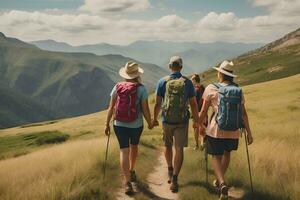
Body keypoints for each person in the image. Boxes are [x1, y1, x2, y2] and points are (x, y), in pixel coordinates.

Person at [199, 60, 253, 200]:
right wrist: (249, 133)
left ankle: (222, 183)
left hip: (216, 129)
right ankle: (219, 180)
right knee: (227, 153)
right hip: (234, 130)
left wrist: (199, 125)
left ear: (220, 74)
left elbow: (204, 111)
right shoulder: (237, 90)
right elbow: (243, 113)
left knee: (215, 156)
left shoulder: (211, 88)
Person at [152, 56, 200, 193]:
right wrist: (197, 121)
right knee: (179, 148)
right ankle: (175, 178)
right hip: (182, 121)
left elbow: (157, 104)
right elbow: (193, 104)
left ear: (169, 67)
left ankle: (169, 169)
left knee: (167, 145)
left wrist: (154, 119)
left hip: (167, 119)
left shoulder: (162, 82)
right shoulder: (188, 83)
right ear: (181, 67)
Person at [105, 61, 153, 195]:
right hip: (136, 125)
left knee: (123, 151)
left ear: (125, 74)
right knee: (134, 146)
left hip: (119, 124)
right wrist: (150, 123)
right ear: (137, 74)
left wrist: (106, 124)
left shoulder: (117, 87)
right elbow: (145, 110)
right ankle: (131, 170)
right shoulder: (141, 89)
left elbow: (111, 107)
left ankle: (127, 183)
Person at [191, 74, 206, 150]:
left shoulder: (194, 89)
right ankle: (202, 143)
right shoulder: (203, 88)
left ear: (195, 80)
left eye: (192, 80)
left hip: (195, 111)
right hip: (203, 110)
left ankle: (197, 145)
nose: (191, 81)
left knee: (196, 128)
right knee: (202, 126)